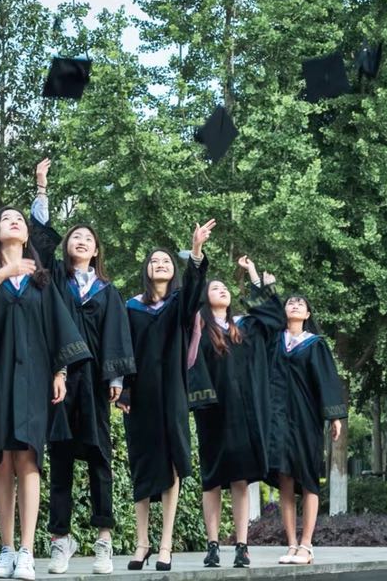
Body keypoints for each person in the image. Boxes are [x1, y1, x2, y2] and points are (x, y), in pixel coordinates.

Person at [0, 202, 90, 581]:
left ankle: (28, 551)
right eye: (6, 218)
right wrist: (4, 274)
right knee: (2, 462)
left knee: (29, 460)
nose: (15, 221)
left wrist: (60, 371)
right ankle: (6, 549)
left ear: (27, 233)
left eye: (19, 219)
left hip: (33, 378)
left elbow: (56, 327)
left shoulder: (41, 280)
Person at [27, 159, 135, 576]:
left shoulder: (108, 291)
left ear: (96, 250)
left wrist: (117, 378)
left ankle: (104, 539)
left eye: (89, 238)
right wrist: (42, 188)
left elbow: (117, 335)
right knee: (60, 460)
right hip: (60, 379)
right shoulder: (55, 277)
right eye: (76, 236)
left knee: (99, 459)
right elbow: (39, 239)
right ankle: (60, 540)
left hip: (93, 383)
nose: (82, 241)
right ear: (67, 246)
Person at [121, 218, 215, 572]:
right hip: (140, 395)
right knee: (142, 464)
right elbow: (123, 351)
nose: (160, 264)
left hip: (173, 393)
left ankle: (165, 544)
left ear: (173, 270)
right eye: (154, 261)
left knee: (172, 462)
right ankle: (142, 542)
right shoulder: (131, 307)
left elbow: (194, 289)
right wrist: (124, 390)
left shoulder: (179, 304)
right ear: (146, 271)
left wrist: (196, 250)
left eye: (165, 261)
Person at [189, 256, 281, 569]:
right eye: (215, 287)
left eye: (225, 287)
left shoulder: (244, 327)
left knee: (240, 480)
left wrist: (255, 277)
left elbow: (273, 320)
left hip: (243, 414)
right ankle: (212, 545)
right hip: (212, 411)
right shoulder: (198, 329)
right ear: (205, 298)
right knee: (212, 480)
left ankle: (242, 546)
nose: (223, 290)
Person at [262, 289, 345, 566]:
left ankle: (307, 545)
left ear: (308, 314)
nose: (295, 305)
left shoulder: (315, 344)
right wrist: (259, 281)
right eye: (290, 302)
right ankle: (291, 544)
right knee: (285, 478)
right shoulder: (275, 341)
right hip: (278, 420)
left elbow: (327, 381)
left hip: (306, 419)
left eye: (301, 303)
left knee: (308, 478)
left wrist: (334, 416)